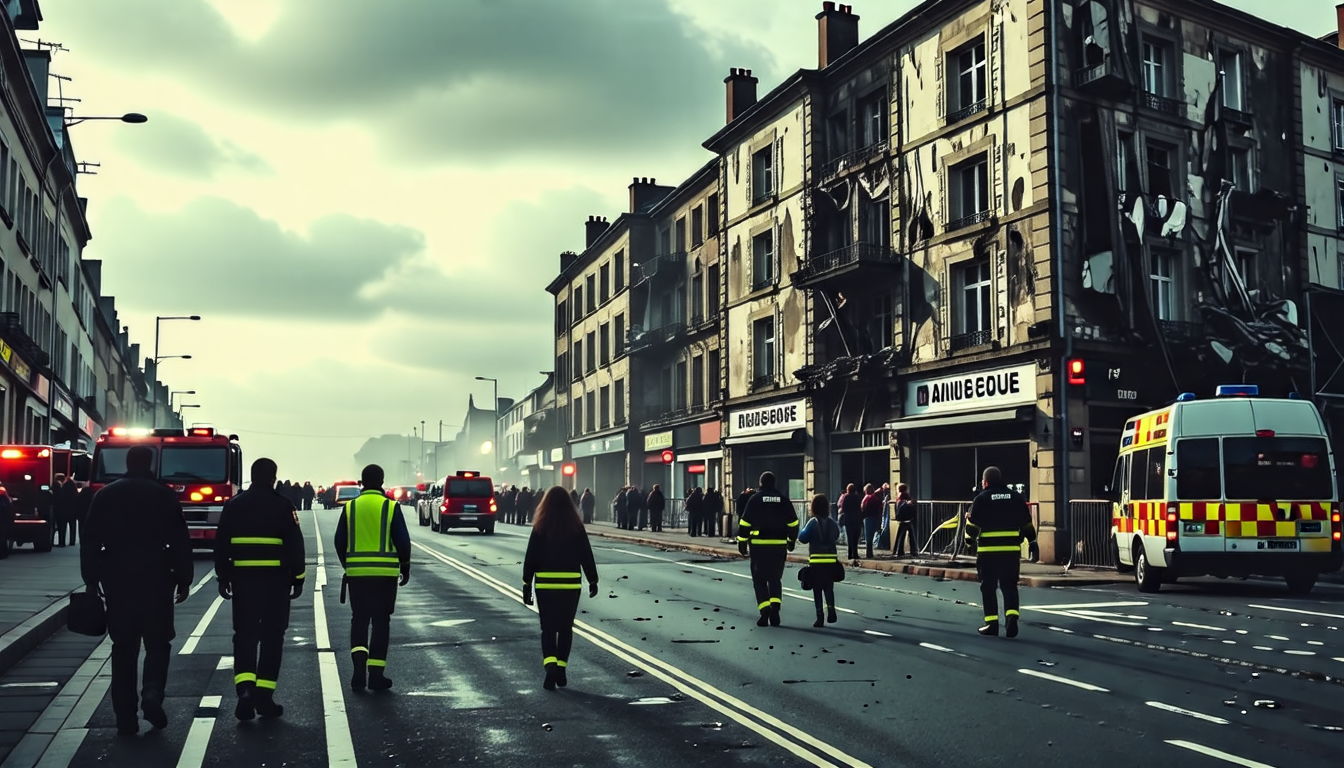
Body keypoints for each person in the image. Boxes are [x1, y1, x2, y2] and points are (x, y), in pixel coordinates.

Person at [80, 446, 192, 736]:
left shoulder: (106, 494)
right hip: (157, 577)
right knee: (158, 643)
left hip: (118, 579)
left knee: (123, 649)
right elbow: (180, 538)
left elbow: (90, 538)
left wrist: (92, 579)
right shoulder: (164, 494)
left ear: (127, 463)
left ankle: (125, 717)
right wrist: (184, 578)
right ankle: (153, 691)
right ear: (151, 463)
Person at [214, 458, 306, 721]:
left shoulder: (233, 506)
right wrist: (298, 578)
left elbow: (221, 544)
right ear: (273, 477)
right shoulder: (284, 506)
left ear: (251, 476)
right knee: (272, 638)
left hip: (243, 583)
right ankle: (264, 698)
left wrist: (223, 576)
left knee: (244, 636)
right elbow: (295, 546)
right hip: (276, 584)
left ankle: (245, 690)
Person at [334, 464, 411, 691]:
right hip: (385, 575)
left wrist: (348, 565)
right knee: (380, 622)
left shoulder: (351, 508)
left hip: (357, 575)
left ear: (362, 481)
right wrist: (405, 567)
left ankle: (358, 670)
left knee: (359, 620)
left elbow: (339, 541)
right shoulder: (390, 506)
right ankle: (376, 674)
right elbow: (403, 541)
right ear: (382, 481)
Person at [522, 487, 599, 691]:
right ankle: (562, 668)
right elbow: (586, 553)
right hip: (570, 585)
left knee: (547, 629)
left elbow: (531, 557)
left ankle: (550, 666)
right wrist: (593, 579)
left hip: (545, 585)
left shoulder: (540, 526)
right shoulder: (575, 526)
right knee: (565, 629)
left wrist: (526, 585)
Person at [964, 466, 1037, 638]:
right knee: (1009, 586)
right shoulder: (1015, 497)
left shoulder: (981, 499)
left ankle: (992, 624)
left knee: (988, 587)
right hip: (1010, 552)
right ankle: (1011, 616)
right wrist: (1032, 541)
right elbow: (1026, 523)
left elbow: (973, 526)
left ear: (986, 482)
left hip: (988, 553)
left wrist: (968, 541)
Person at [737, 472, 798, 626]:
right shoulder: (783, 500)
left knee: (760, 580)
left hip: (759, 547)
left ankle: (764, 609)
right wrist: (791, 541)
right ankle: (775, 608)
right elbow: (793, 523)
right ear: (774, 483)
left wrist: (742, 543)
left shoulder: (755, 499)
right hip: (778, 547)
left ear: (761, 483)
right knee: (775, 579)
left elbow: (744, 523)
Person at [797, 493, 840, 627]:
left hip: (816, 561)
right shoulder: (832, 522)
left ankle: (820, 616)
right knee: (828, 587)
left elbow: (803, 538)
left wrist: (800, 530)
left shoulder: (812, 522)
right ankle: (831, 609)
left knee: (817, 589)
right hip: (831, 561)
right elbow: (837, 535)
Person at [838, 483, 863, 563]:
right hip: (856, 519)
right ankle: (855, 553)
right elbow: (860, 508)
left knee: (850, 537)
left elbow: (844, 508)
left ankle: (850, 554)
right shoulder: (857, 497)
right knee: (856, 537)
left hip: (849, 519)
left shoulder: (846, 497)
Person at [54, 473, 79, 547]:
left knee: (62, 527)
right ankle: (72, 541)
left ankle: (62, 542)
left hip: (63, 509)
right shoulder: (72, 485)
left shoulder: (61, 487)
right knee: (72, 526)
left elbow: (59, 498)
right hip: (72, 509)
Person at [892, 483, 916, 557]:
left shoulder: (898, 497)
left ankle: (897, 551)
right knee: (911, 536)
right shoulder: (905, 496)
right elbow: (909, 504)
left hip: (902, 519)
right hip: (907, 519)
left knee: (900, 535)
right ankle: (913, 551)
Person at [860, 483, 883, 560]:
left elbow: (863, 507)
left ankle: (868, 553)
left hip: (868, 517)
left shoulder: (868, 497)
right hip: (873, 517)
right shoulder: (874, 497)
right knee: (870, 536)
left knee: (868, 537)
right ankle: (869, 553)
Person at [0, 486, 12, 559]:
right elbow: (9, 511)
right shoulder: (6, 500)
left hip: (3, 521)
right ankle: (3, 553)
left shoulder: (4, 500)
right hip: (4, 521)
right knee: (3, 538)